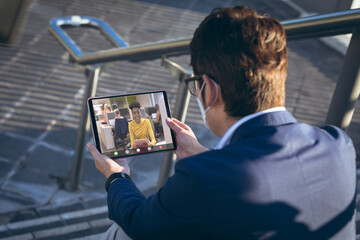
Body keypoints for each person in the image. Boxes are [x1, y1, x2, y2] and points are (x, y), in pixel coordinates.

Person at [87, 6, 356, 240]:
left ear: (210, 90)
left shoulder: (205, 178)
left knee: (121, 234)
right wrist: (201, 153)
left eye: (196, 86)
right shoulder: (338, 143)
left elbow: (141, 225)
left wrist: (116, 176)